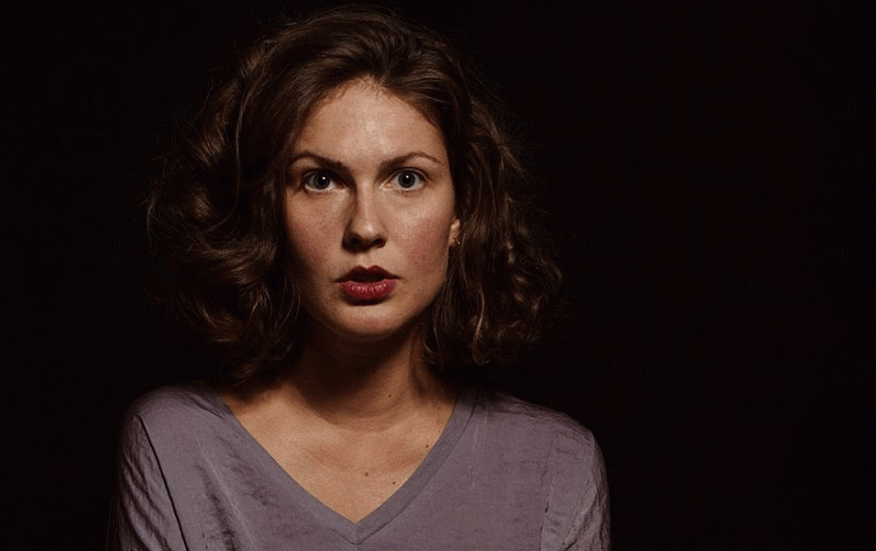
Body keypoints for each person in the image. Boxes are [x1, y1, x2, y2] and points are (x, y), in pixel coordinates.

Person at [108, 6, 610, 550]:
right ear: (269, 210)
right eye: (321, 180)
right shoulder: (178, 446)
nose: (365, 227)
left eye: (407, 179)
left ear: (461, 210)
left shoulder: (554, 469)